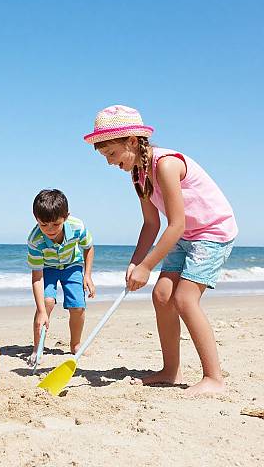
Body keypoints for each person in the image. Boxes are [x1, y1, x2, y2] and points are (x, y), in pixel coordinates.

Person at [84, 104, 237, 396]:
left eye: (112, 154)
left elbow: (175, 224)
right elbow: (151, 224)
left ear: (131, 141)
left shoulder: (165, 164)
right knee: (162, 295)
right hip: (186, 233)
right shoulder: (137, 176)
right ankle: (171, 370)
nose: (109, 163)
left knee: (184, 299)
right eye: (105, 157)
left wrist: (147, 267)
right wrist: (135, 262)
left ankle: (214, 377)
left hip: (211, 232)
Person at [27, 189, 95, 365]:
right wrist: (41, 310)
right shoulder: (35, 240)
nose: (49, 230)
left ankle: (76, 344)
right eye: (44, 225)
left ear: (65, 217)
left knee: (78, 306)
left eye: (55, 224)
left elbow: (88, 247)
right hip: (47, 268)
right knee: (47, 302)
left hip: (72, 265)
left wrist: (87, 275)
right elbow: (36, 276)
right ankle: (37, 348)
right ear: (36, 219)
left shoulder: (77, 227)